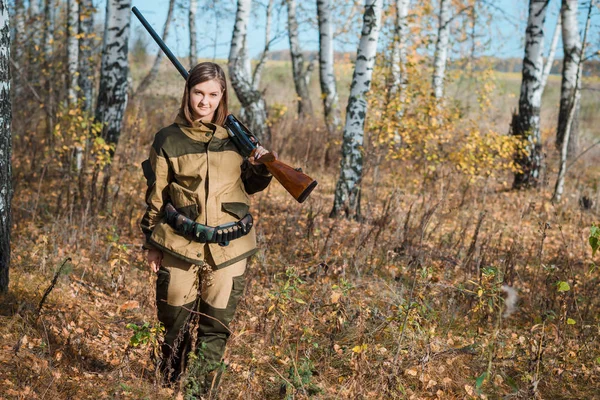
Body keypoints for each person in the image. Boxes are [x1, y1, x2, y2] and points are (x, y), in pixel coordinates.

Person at [140, 62, 273, 396]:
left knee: (216, 327)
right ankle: (168, 382)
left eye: (213, 94)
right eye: (199, 92)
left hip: (231, 249)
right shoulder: (167, 139)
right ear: (188, 92)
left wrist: (264, 167)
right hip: (179, 244)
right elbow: (156, 195)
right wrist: (151, 242)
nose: (205, 101)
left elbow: (250, 185)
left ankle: (200, 392)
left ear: (222, 96)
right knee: (174, 323)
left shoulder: (236, 139)